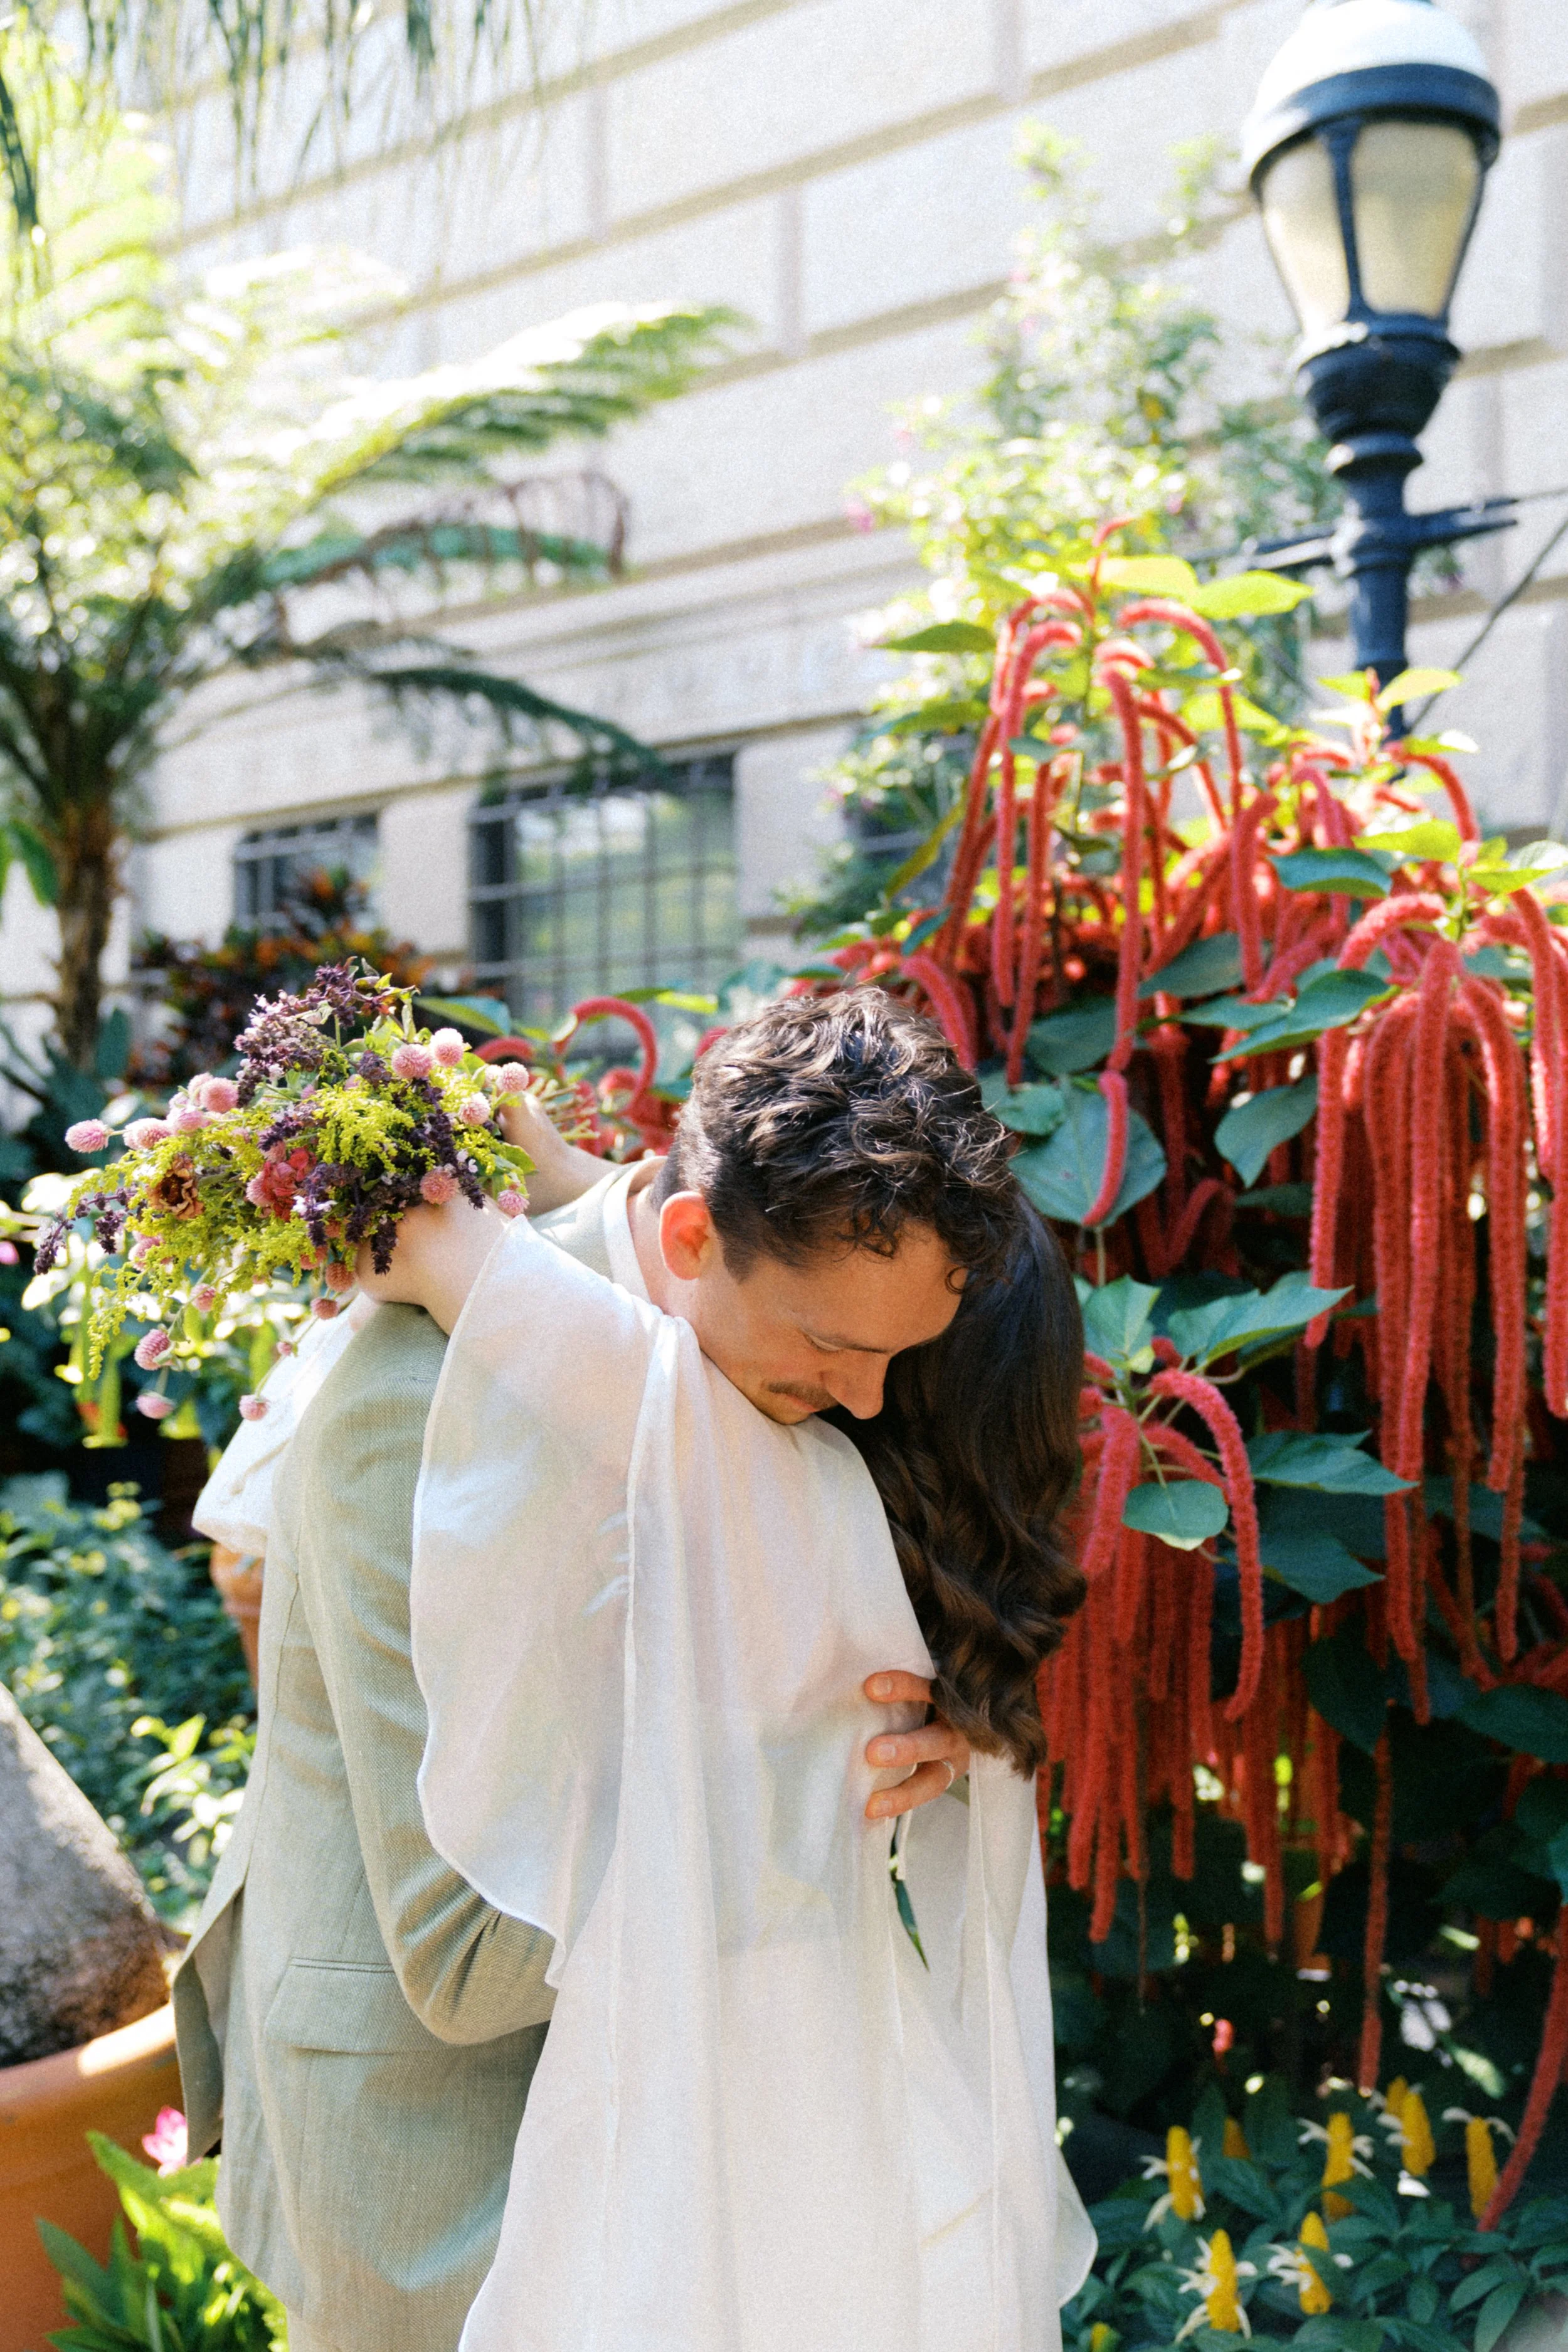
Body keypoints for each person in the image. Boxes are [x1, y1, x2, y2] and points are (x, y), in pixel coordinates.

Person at [173, 990, 1089, 2352]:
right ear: (687, 1240)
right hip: (444, 2148)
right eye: (838, 1353)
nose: (863, 1405)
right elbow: (461, 1955)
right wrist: (796, 1786)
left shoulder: (750, 1342)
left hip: (694, 2134)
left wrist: (903, 1719)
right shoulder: (412, 1408)